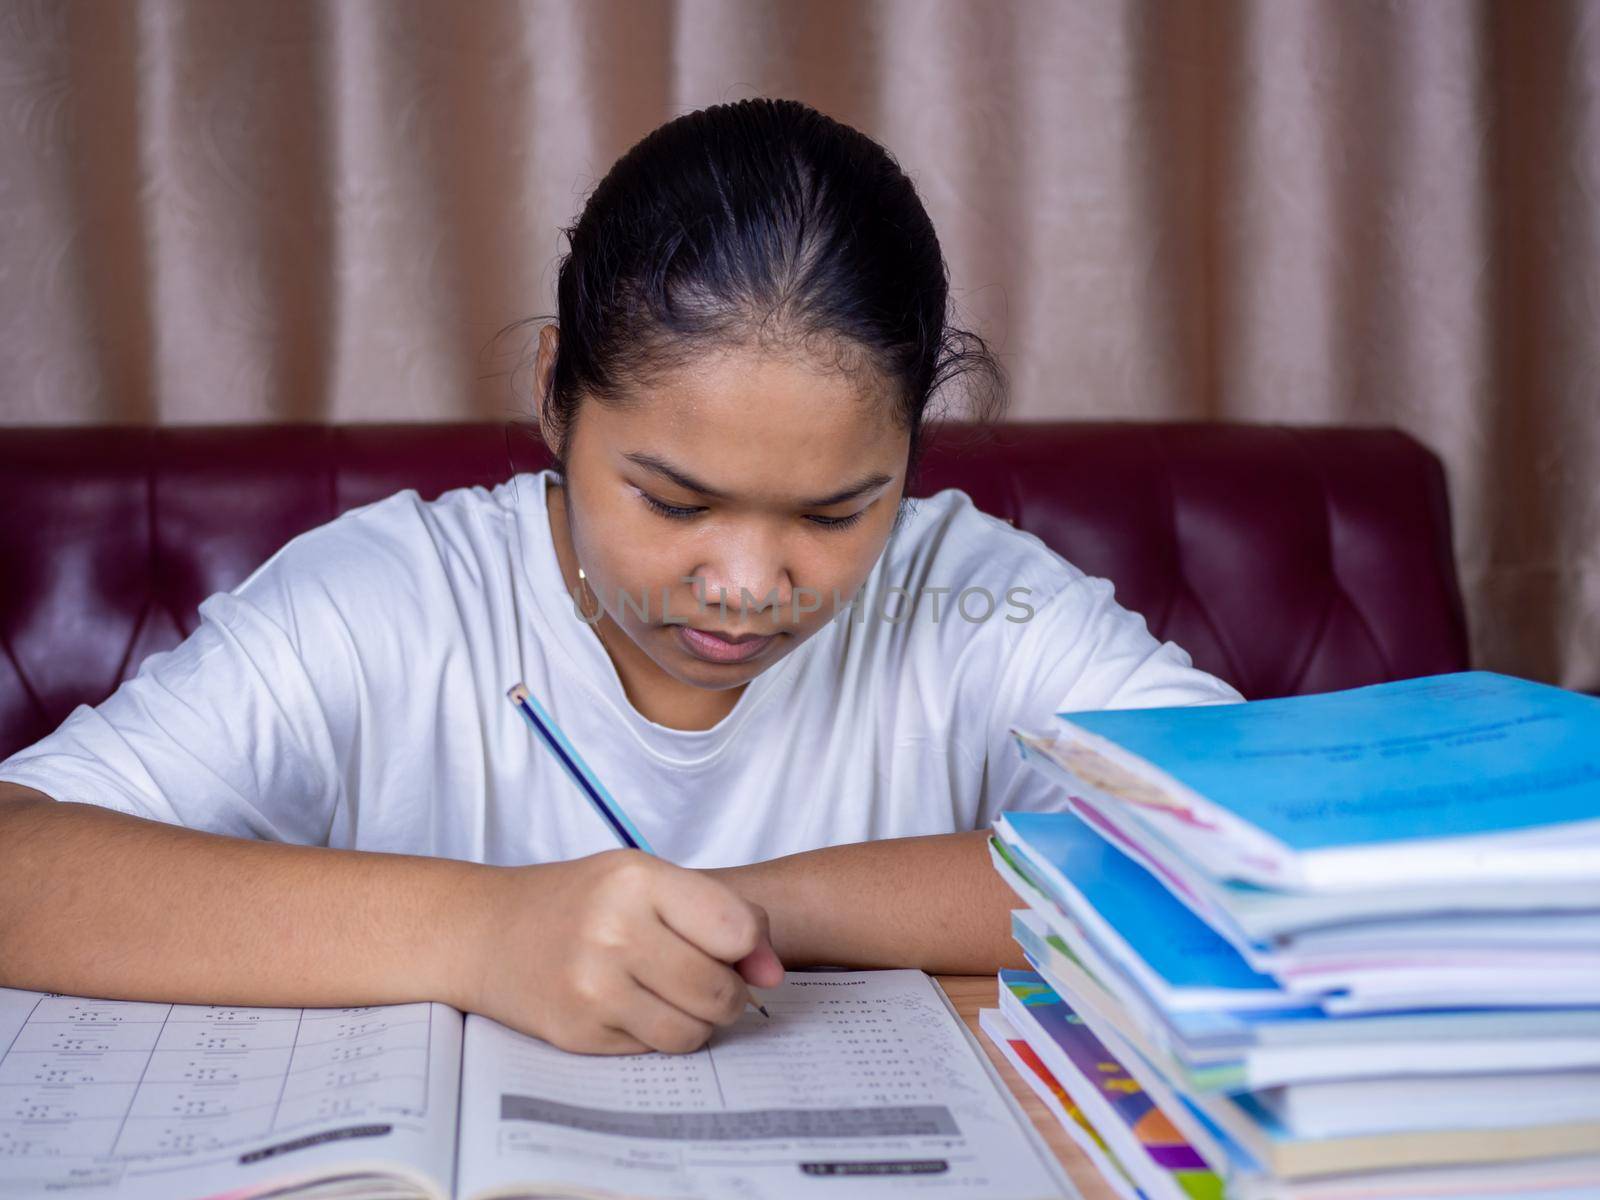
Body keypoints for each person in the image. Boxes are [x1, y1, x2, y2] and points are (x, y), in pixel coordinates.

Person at [0, 98, 1242, 1056]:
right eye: (673, 501)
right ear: (554, 394)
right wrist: (487, 932)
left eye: (836, 511)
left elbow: (1244, 852)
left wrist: (738, 909)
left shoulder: (974, 594)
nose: (749, 585)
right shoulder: (383, 604)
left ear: (909, 455)